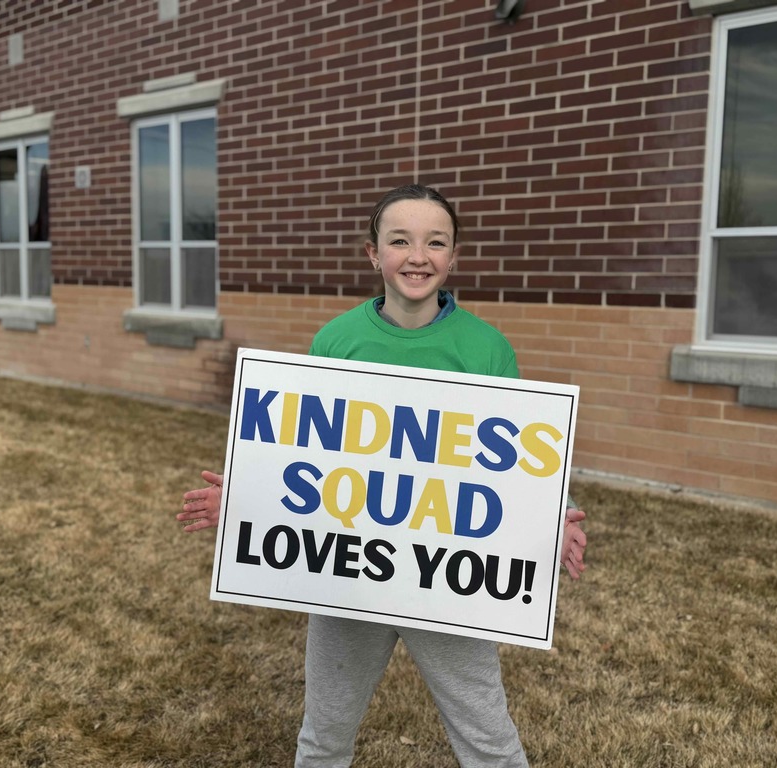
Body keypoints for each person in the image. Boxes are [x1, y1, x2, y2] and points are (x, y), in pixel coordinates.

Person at [178, 184, 588, 767]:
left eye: (435, 243)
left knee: (488, 738)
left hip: (449, 577)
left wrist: (551, 517)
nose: (418, 256)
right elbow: (310, 455)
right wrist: (251, 499)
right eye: (400, 241)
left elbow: (514, 459)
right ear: (374, 254)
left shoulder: (486, 349)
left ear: (454, 257)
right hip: (348, 570)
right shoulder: (336, 340)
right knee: (324, 733)